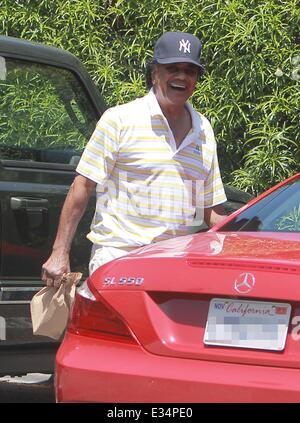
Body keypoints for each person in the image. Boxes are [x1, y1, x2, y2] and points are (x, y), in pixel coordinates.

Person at [41, 31, 227, 287]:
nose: (182, 77)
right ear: (154, 74)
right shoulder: (120, 120)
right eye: (172, 68)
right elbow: (82, 186)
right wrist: (59, 253)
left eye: (190, 71)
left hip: (175, 267)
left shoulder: (203, 130)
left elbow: (211, 211)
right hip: (120, 259)